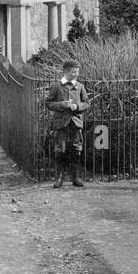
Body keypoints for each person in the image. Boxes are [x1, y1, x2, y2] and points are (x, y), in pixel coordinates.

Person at [44, 60, 90, 188]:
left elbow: (87, 103)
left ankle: (76, 177)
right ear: (65, 71)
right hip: (61, 123)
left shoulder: (80, 86)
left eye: (77, 71)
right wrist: (61, 105)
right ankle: (59, 178)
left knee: (76, 149)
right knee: (60, 149)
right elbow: (48, 103)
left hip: (75, 123)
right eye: (73, 71)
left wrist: (77, 106)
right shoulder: (56, 86)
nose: (76, 74)